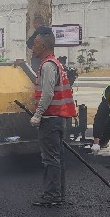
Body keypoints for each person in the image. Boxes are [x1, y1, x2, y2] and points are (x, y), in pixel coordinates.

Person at [29, 28, 77, 207]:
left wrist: (38, 114)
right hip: (58, 118)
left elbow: (47, 93)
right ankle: (58, 194)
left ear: (43, 46)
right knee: (57, 158)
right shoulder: (56, 63)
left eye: (34, 44)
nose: (32, 48)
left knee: (50, 159)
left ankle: (52, 196)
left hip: (50, 119)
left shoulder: (48, 65)